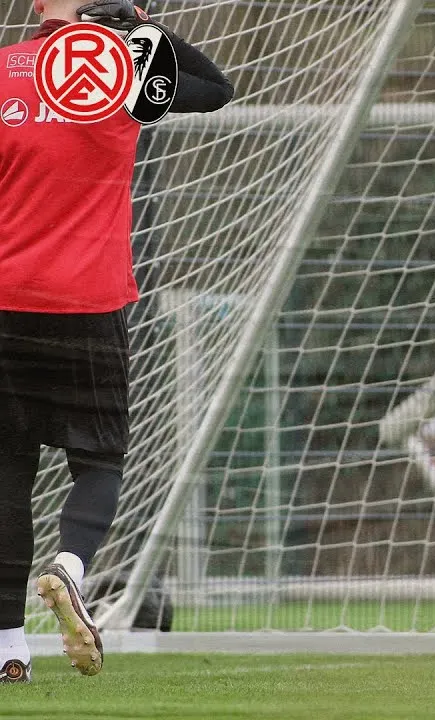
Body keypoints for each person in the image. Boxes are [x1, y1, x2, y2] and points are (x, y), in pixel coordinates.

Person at [0, 0, 233, 684]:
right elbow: (217, 89)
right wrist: (145, 29)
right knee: (99, 460)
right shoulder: (128, 74)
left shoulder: (3, 71)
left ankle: (7, 649)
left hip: (4, 300)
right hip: (88, 299)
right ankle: (71, 569)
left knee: (7, 475)